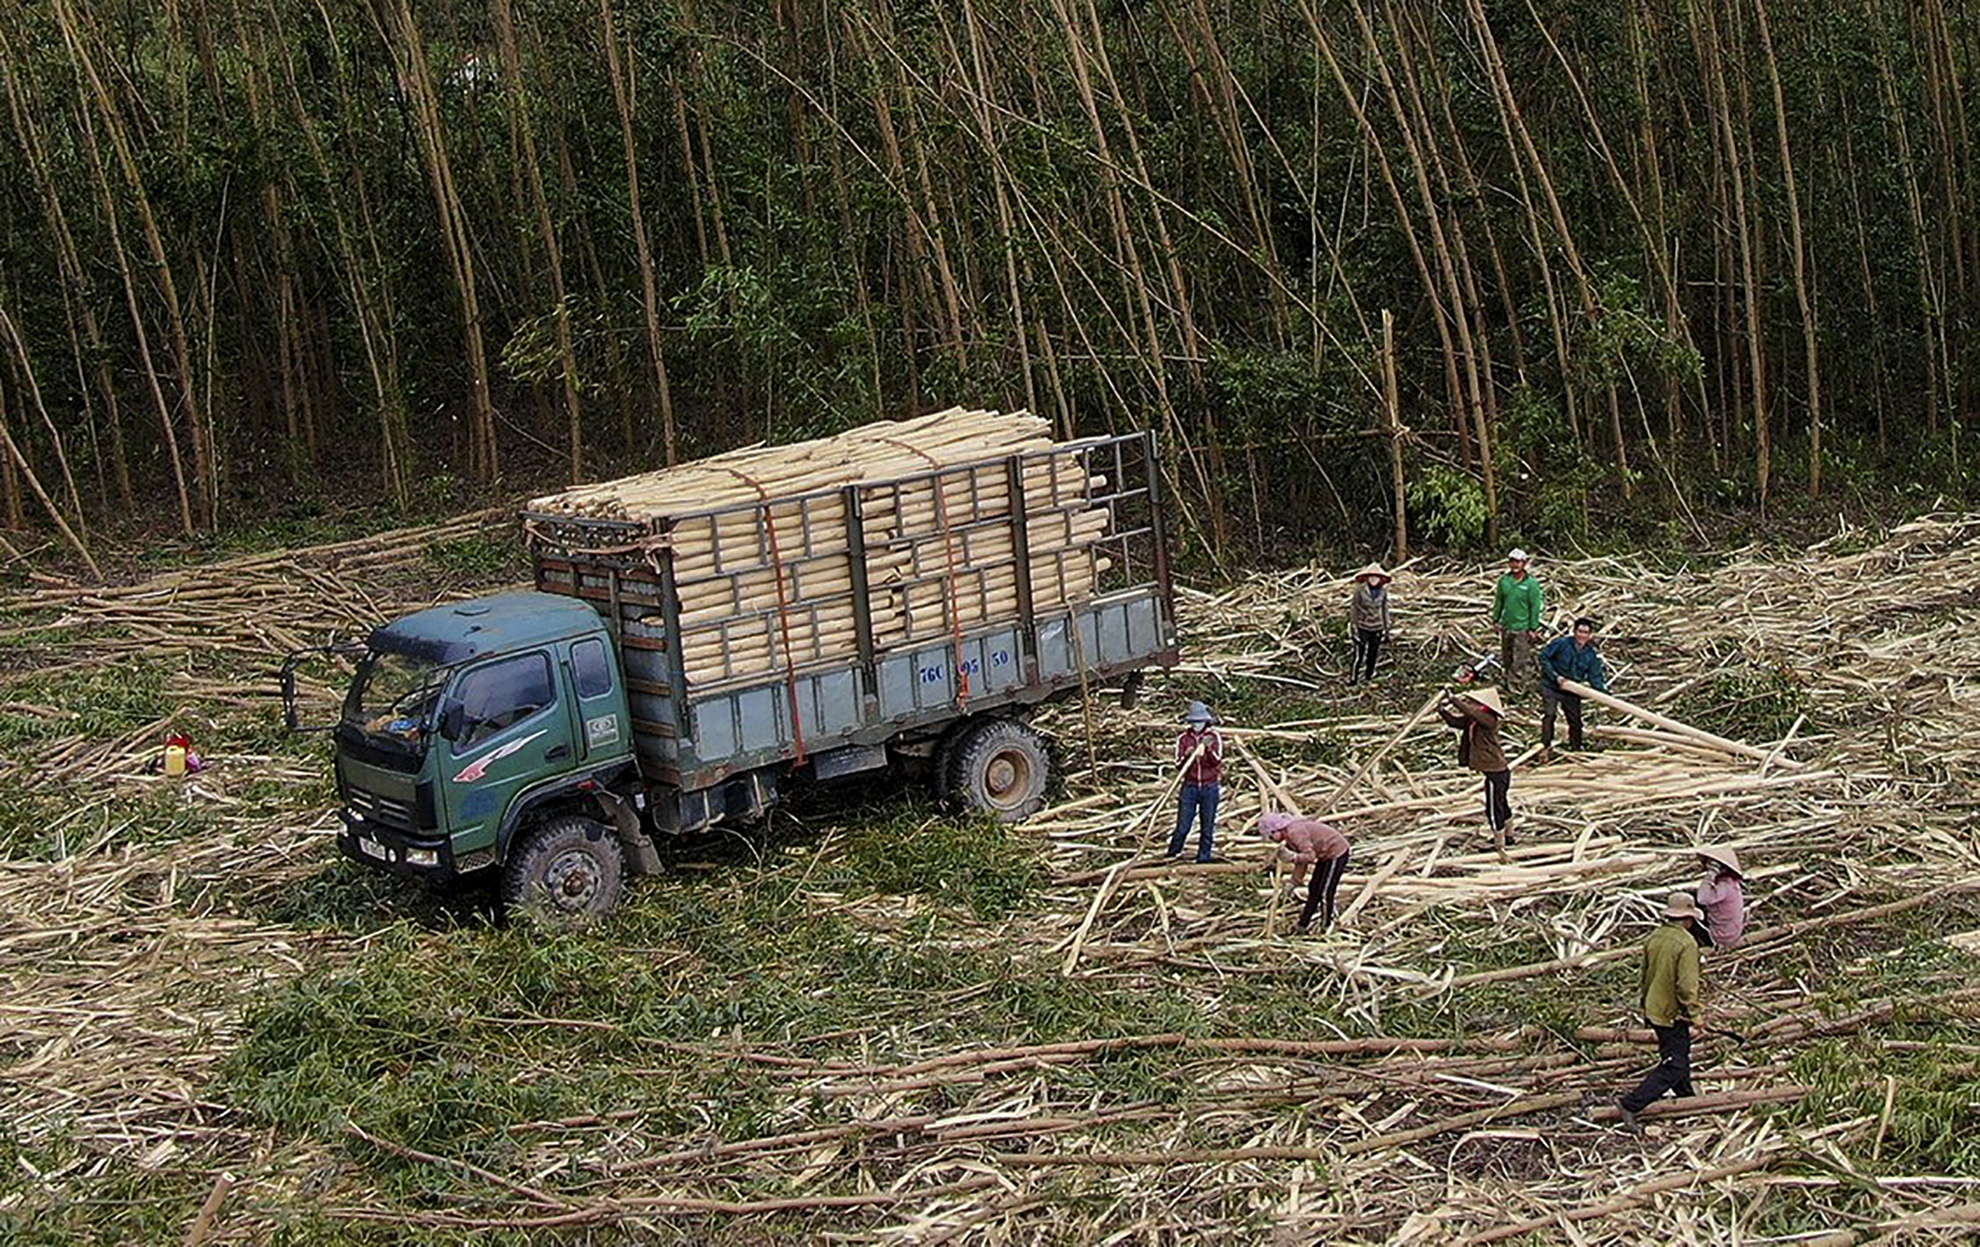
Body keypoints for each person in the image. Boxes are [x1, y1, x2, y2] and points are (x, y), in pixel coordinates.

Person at [1618, 891, 1705, 1128]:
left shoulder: (1654, 937)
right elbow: (1687, 985)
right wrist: (1695, 1014)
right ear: (1688, 919)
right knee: (1674, 1064)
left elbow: (1644, 974)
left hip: (1654, 1007)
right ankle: (1631, 1103)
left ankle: (1686, 1098)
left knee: (1676, 1053)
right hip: (1672, 1013)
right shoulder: (1686, 943)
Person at [1438, 685, 1514, 850]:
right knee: (1501, 803)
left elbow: (1471, 712)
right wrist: (1442, 710)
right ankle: (1509, 835)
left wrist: (1453, 699)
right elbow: (1456, 722)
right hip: (1493, 771)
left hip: (1497, 771)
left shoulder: (1489, 719)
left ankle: (1499, 842)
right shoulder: (1474, 720)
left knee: (1494, 808)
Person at [1259, 811, 1351, 933]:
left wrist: (1292, 857)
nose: (1272, 840)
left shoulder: (1294, 832)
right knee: (1313, 889)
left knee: (1325, 891)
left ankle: (1326, 926)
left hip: (1336, 852)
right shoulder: (1289, 838)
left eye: (1271, 836)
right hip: (1324, 855)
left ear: (1276, 830)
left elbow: (1310, 856)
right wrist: (1293, 882)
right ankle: (1303, 924)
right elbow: (1302, 863)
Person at [1537, 616, 1609, 754]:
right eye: (1580, 631)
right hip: (1552, 685)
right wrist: (1555, 676)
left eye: (1585, 633)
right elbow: (1544, 657)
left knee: (1575, 720)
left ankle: (1576, 749)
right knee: (1550, 714)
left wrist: (1604, 693)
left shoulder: (1591, 654)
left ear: (1589, 635)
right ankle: (1545, 746)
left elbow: (1595, 677)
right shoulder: (1561, 644)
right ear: (1574, 632)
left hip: (1571, 688)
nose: (1582, 635)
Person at [1168, 701, 1224, 862]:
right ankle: (1172, 855)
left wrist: (1207, 750)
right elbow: (1179, 765)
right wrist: (1188, 755)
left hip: (1209, 787)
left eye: (1199, 722)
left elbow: (1216, 761)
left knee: (1207, 826)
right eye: (1193, 722)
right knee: (1183, 826)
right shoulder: (1183, 739)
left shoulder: (1214, 737)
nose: (1196, 725)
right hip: (1190, 787)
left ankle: (1203, 858)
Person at [1492, 549, 1544, 688]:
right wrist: (1495, 620)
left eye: (1518, 562)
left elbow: (1535, 606)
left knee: (1519, 659)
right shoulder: (1504, 581)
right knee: (1507, 657)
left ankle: (1515, 687)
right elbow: (1499, 602)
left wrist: (1533, 627)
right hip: (1507, 625)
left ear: (1524, 563)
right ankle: (1508, 681)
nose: (1514, 565)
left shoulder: (1531, 584)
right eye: (1512, 561)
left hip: (1522, 627)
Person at [1693, 846, 1747, 949]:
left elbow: (1702, 898)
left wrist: (1710, 874)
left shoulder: (1725, 887)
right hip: (1729, 932)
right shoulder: (1731, 883)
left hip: (1721, 936)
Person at [1348, 563, 1393, 685]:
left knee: (1373, 654)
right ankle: (1353, 678)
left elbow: (1384, 609)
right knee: (1359, 653)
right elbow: (1354, 608)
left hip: (1377, 626)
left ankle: (1368, 677)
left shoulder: (1383, 592)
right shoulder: (1360, 591)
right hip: (1363, 625)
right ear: (1367, 578)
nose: (1373, 579)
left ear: (1380, 579)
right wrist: (1354, 626)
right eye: (1371, 577)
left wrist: (1387, 628)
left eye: (1376, 577)